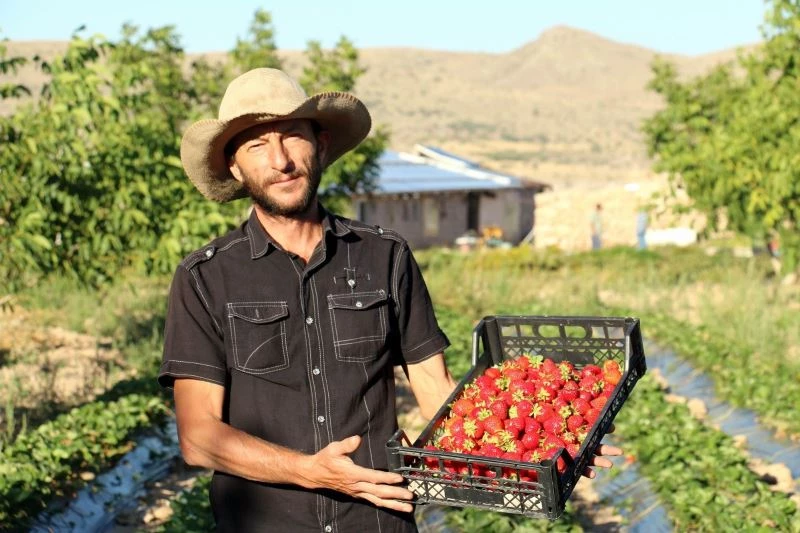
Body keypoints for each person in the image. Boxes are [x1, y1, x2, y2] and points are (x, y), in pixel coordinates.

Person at [158, 68, 621, 532]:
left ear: (320, 145)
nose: (281, 160)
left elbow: (437, 393)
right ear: (235, 167)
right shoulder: (205, 278)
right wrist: (310, 471)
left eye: (293, 136)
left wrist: (551, 441)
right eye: (258, 145)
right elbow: (199, 437)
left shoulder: (384, 255)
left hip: (379, 519)